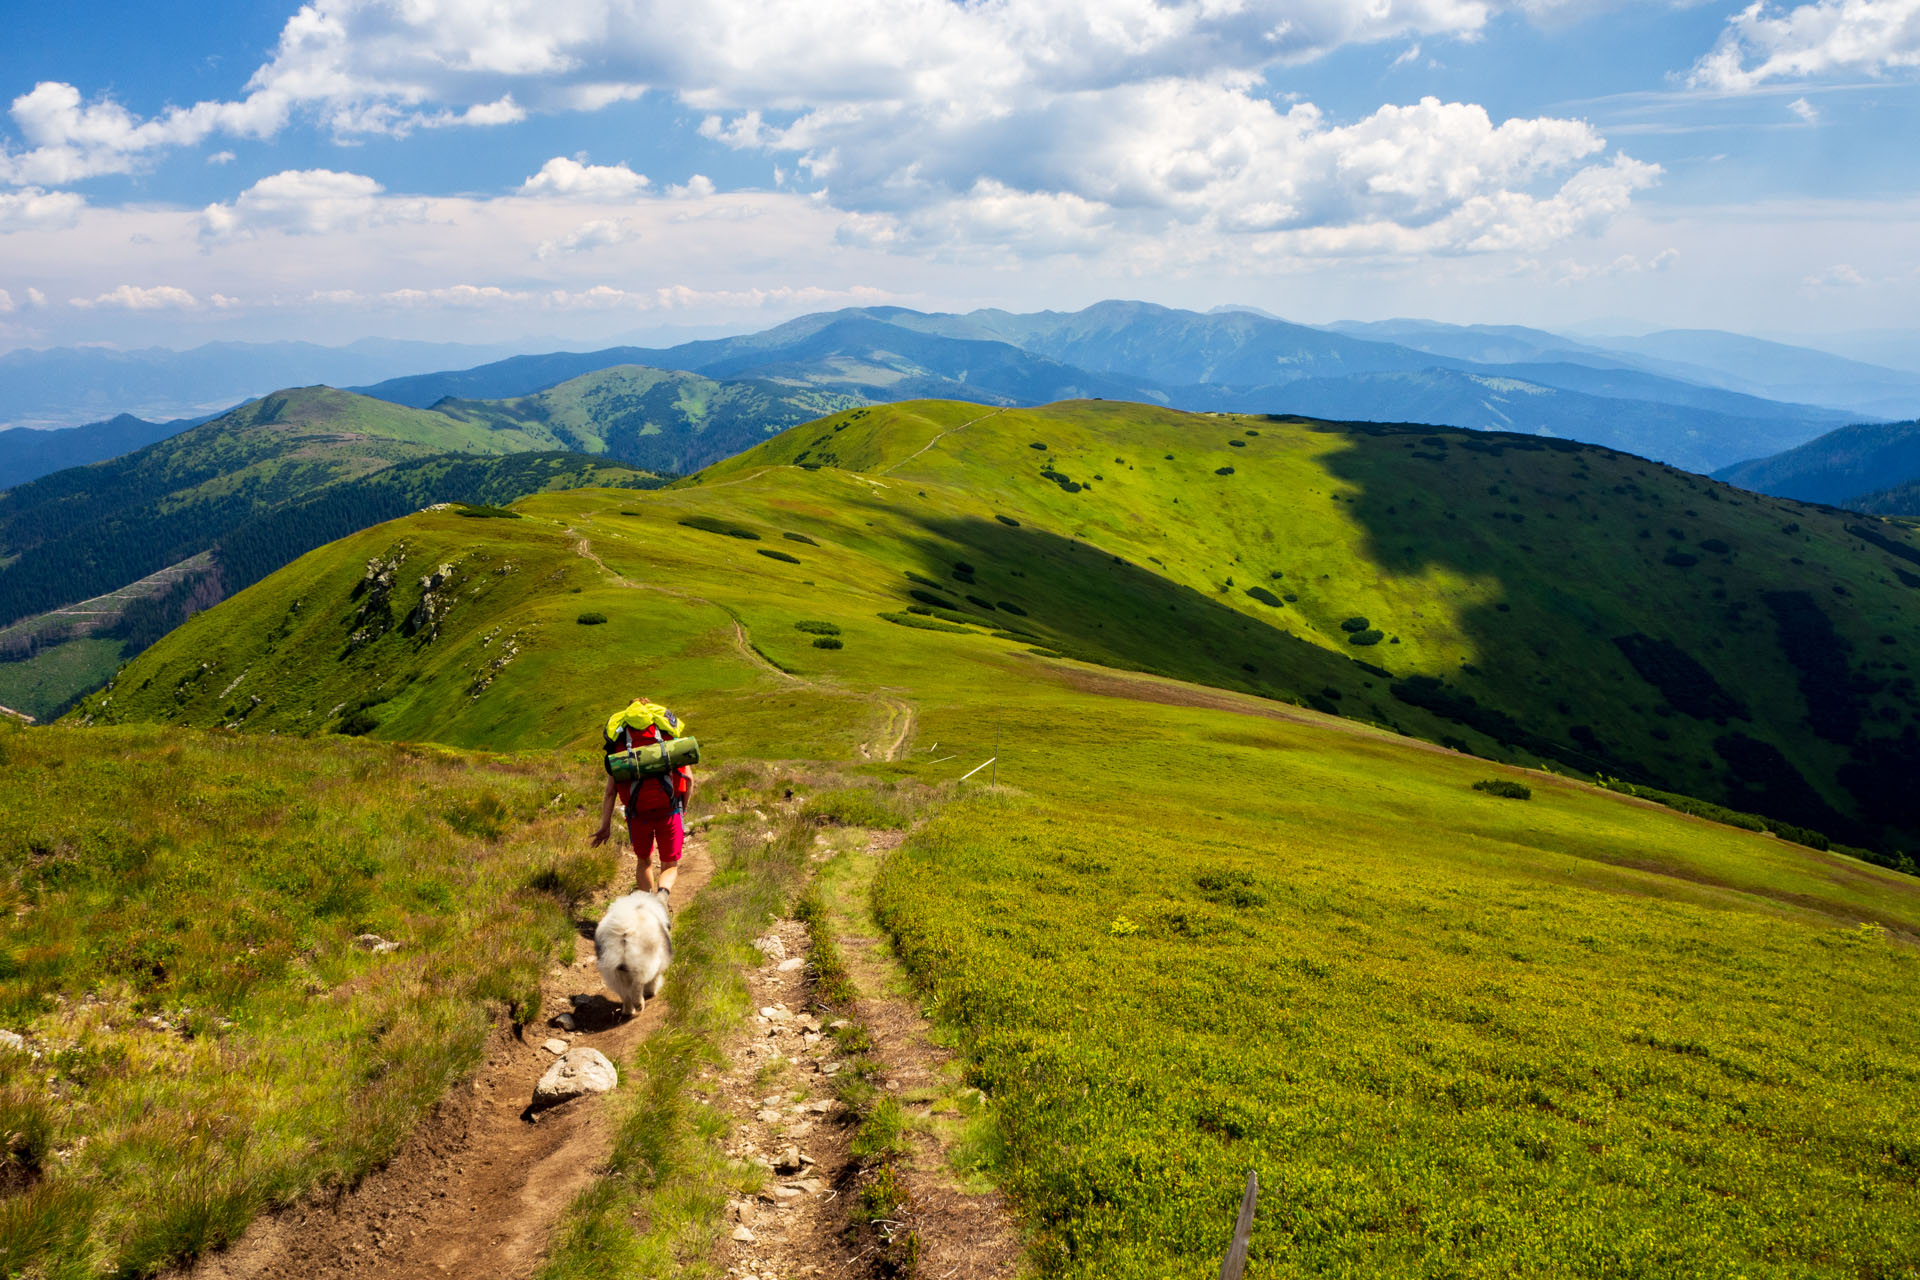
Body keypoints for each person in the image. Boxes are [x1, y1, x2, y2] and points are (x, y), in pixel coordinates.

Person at [590, 697, 692, 895]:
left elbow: (611, 792)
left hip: (637, 814)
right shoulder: (666, 736)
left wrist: (605, 826)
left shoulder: (620, 743)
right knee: (670, 863)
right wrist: (683, 808)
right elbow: (687, 779)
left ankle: (647, 905)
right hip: (668, 809)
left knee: (644, 860)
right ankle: (663, 896)